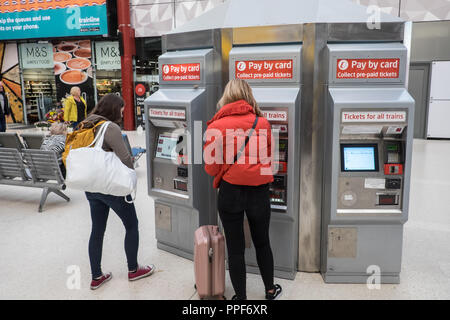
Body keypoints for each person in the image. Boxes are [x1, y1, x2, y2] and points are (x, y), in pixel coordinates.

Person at [203, 79, 282, 300]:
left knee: (235, 248)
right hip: (258, 193)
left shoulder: (215, 127)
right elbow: (269, 162)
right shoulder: (263, 123)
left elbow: (211, 168)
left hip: (230, 192)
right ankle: (269, 290)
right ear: (248, 96)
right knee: (262, 242)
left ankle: (241, 297)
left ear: (226, 97)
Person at [79, 93, 155, 290]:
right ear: (115, 108)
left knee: (97, 230)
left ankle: (96, 276)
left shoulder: (86, 123)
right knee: (132, 225)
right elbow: (125, 159)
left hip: (91, 186)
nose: (123, 111)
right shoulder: (110, 127)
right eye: (122, 108)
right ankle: (133, 270)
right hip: (110, 187)